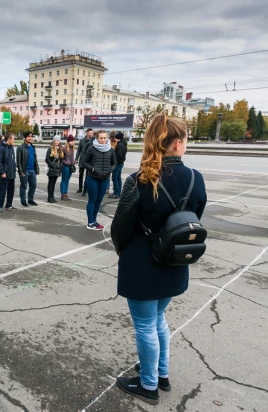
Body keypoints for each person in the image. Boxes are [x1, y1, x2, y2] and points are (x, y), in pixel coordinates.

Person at [112, 113, 207, 405]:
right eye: (186, 140)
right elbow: (194, 217)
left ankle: (149, 384)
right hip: (175, 260)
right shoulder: (195, 178)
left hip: (142, 263)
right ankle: (161, 373)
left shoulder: (138, 179)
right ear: (177, 143)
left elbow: (120, 228)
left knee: (145, 326)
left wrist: (124, 252)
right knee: (158, 320)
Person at [82, 130, 116, 230]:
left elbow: (114, 163)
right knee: (92, 200)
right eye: (101, 138)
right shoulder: (91, 148)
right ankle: (90, 222)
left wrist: (110, 170)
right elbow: (84, 162)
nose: (103, 140)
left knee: (99, 200)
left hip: (104, 179)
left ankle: (94, 220)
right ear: (97, 138)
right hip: (93, 178)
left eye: (105, 138)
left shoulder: (111, 150)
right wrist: (92, 169)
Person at [16, 131, 39, 207]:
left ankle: (30, 199)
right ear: (25, 137)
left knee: (33, 185)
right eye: (28, 136)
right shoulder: (20, 147)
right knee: (23, 186)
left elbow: (35, 159)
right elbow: (18, 161)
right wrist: (21, 171)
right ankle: (23, 201)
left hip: (32, 170)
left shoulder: (33, 147)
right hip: (25, 170)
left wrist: (36, 169)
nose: (30, 138)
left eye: (31, 136)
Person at [0, 132, 17, 213]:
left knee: (11, 190)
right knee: (2, 191)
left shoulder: (11, 148)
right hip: (4, 174)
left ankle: (9, 205)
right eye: (13, 139)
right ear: (9, 139)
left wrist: (15, 168)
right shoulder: (1, 148)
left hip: (11, 174)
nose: (14, 140)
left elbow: (13, 160)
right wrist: (2, 172)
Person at [75, 128, 94, 195]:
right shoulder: (82, 141)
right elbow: (78, 150)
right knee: (81, 175)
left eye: (92, 133)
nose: (92, 134)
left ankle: (85, 190)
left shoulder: (93, 141)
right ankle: (80, 188)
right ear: (87, 133)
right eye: (90, 133)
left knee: (87, 176)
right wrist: (76, 159)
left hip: (89, 161)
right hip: (82, 160)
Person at [45, 136, 64, 203]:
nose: (56, 142)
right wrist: (52, 165)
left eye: (58, 141)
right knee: (51, 183)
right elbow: (47, 159)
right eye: (55, 140)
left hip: (57, 169)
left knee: (54, 183)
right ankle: (49, 197)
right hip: (52, 169)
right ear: (53, 141)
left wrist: (61, 165)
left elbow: (62, 159)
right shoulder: (50, 149)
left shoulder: (60, 149)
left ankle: (52, 196)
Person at [109, 131, 128, 199]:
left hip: (118, 163)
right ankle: (119, 192)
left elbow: (119, 156)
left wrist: (114, 161)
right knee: (118, 177)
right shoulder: (123, 143)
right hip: (121, 163)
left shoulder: (119, 145)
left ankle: (116, 193)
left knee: (114, 177)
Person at [60, 135, 76, 201]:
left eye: (73, 141)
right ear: (68, 141)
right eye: (71, 141)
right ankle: (62, 194)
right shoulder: (64, 148)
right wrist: (65, 162)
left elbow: (72, 158)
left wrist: (74, 162)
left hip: (70, 166)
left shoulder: (72, 149)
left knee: (67, 181)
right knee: (64, 180)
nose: (73, 142)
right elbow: (61, 158)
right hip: (65, 166)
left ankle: (66, 193)